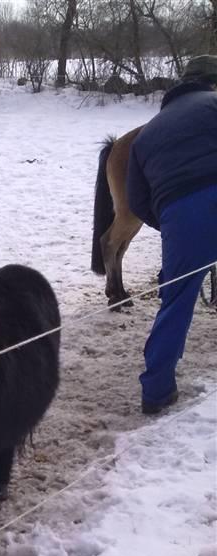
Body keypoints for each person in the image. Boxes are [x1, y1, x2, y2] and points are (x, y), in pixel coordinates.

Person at [127, 54, 217, 414]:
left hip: (180, 212)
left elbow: (137, 199)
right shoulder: (214, 103)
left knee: (176, 299)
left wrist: (173, 224)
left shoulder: (146, 134)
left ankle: (157, 390)